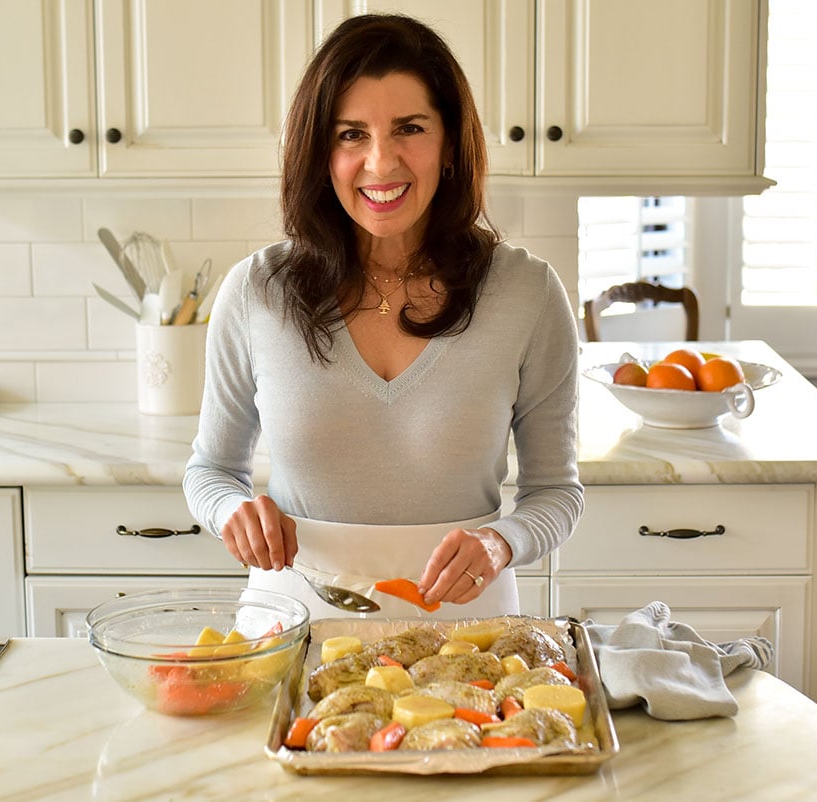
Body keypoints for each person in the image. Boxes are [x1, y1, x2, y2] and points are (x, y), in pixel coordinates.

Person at [183, 13, 582, 619]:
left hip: (468, 629)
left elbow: (556, 492)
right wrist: (231, 512)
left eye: (409, 128)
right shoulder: (255, 292)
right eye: (351, 134)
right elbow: (210, 471)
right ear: (320, 152)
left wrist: (502, 542)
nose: (380, 161)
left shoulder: (527, 292)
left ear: (449, 144)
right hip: (294, 619)